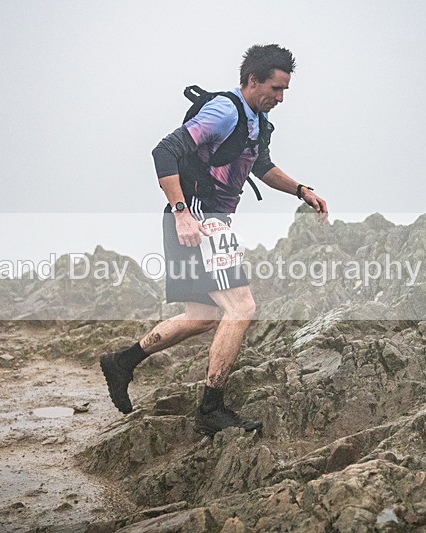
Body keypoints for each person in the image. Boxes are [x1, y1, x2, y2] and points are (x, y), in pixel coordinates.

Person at [101, 44, 328, 435]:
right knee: (242, 308)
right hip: (199, 219)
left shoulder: (256, 120)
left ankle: (122, 362)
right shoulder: (225, 111)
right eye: (275, 88)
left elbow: (261, 166)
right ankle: (211, 409)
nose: (280, 98)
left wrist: (300, 190)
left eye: (284, 90)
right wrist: (182, 213)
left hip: (204, 219)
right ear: (252, 80)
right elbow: (164, 151)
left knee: (201, 317)